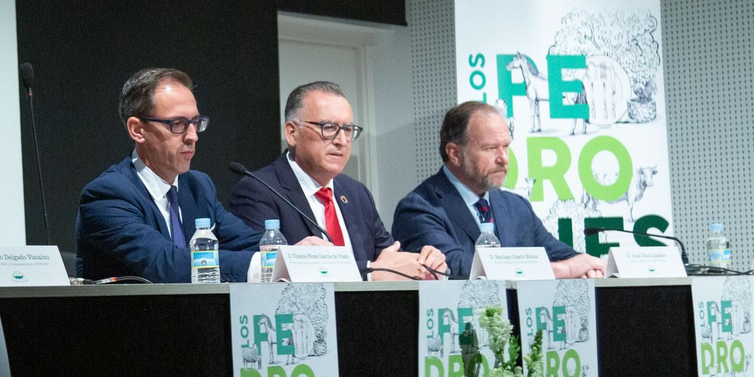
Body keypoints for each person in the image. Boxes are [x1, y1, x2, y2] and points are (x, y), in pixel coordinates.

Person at [229, 81, 447, 281]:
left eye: (348, 130)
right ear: (292, 133)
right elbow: (268, 274)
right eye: (329, 128)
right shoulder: (258, 190)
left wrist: (423, 263)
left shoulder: (356, 193)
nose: (342, 141)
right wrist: (370, 272)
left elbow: (389, 261)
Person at [77, 67, 261, 282]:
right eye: (178, 124)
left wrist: (294, 255)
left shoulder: (198, 186)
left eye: (195, 123)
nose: (193, 136)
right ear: (137, 130)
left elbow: (246, 241)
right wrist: (261, 265)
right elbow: (165, 264)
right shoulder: (107, 195)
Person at [392, 102, 606, 279]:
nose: (503, 158)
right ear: (455, 153)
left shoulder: (516, 206)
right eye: (491, 148)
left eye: (506, 146)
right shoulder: (420, 208)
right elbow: (455, 268)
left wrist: (588, 267)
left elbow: (558, 253)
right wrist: (563, 270)